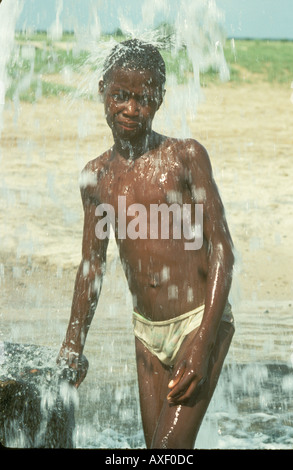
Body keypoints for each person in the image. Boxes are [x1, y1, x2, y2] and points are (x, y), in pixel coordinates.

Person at [58, 39, 235, 449]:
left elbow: (223, 250)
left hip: (198, 322)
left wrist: (204, 341)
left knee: (167, 452)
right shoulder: (96, 176)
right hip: (147, 335)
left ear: (159, 100)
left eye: (143, 99)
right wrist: (72, 344)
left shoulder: (184, 157)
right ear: (103, 90)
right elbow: (92, 267)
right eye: (120, 96)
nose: (130, 109)